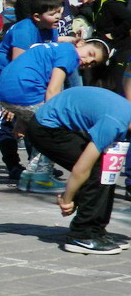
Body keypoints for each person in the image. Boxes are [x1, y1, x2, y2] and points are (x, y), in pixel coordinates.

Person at [26, 86, 131, 255]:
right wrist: (67, 199)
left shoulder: (125, 116)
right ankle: (82, 235)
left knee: (107, 169)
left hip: (63, 125)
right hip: (46, 129)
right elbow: (80, 169)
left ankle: (96, 230)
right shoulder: (114, 123)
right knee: (97, 170)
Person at [0, 40, 109, 189]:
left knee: (42, 126)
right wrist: (54, 120)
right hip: (26, 91)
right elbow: (53, 90)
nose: (87, 61)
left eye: (92, 63)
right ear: (80, 43)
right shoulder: (70, 54)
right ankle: (41, 177)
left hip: (5, 92)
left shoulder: (55, 48)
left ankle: (30, 176)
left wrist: (22, 120)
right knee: (54, 130)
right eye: (90, 54)